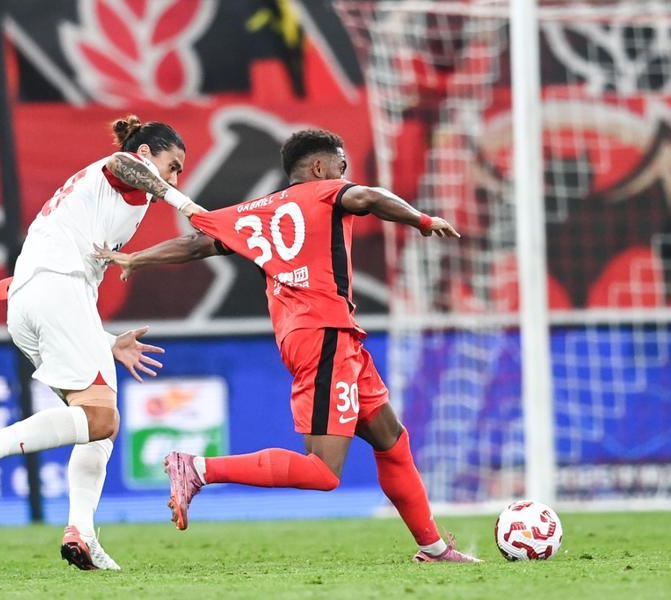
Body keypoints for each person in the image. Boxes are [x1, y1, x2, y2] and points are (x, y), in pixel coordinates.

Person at [95, 128, 481, 563]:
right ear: (318, 167)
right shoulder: (327, 192)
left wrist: (136, 258)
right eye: (340, 166)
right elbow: (369, 197)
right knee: (324, 471)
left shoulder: (257, 211)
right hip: (323, 334)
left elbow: (197, 244)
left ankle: (433, 548)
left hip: (325, 335)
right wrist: (422, 221)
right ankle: (198, 468)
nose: (344, 174)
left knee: (391, 439)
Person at [0, 115, 198, 571]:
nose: (175, 177)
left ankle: (81, 531)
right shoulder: (125, 171)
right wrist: (182, 202)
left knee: (100, 421)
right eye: (173, 165)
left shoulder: (101, 194)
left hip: (32, 298)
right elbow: (123, 164)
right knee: (100, 418)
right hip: (57, 289)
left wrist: (105, 340)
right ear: (146, 153)